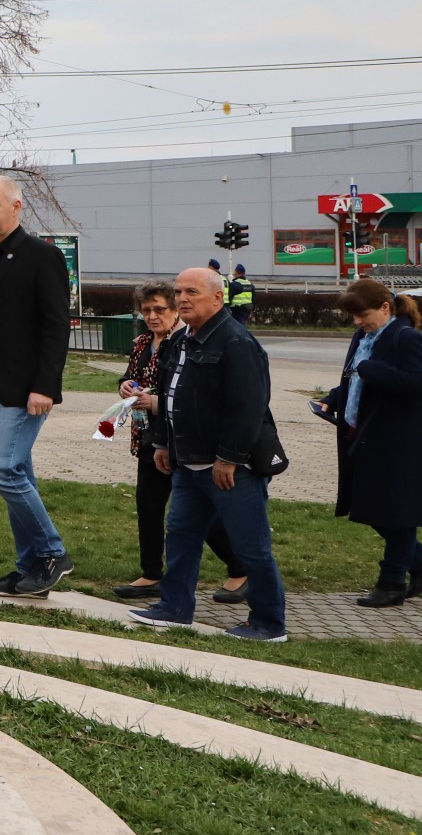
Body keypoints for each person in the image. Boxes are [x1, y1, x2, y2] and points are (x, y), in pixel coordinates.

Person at [129, 268, 289, 641]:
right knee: (181, 535)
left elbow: (248, 408)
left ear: (218, 298)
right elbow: (170, 396)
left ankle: (269, 623)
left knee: (250, 545)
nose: (182, 299)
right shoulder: (181, 340)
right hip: (187, 463)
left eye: (192, 292)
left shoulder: (236, 342)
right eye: (179, 292)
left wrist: (229, 457)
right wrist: (163, 443)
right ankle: (174, 608)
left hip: (231, 468)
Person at [0, 176, 73, 598]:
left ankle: (53, 554)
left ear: (16, 206)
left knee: (1, 468)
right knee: (18, 472)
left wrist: (45, 387)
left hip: (25, 390)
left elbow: (56, 327)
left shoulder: (43, 255)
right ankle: (29, 571)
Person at [112, 280, 250, 603]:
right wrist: (126, 387)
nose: (152, 316)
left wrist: (155, 403)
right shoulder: (143, 343)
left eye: (159, 309)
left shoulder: (183, 342)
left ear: (174, 310)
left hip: (183, 440)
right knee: (148, 506)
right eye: (146, 310)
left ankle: (242, 569)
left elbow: (192, 396)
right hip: (149, 437)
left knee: (200, 513)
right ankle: (151, 573)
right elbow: (130, 375)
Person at [314, 279, 422, 607]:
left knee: (398, 513)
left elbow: (421, 384)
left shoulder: (408, 338)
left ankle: (392, 584)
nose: (357, 322)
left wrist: (373, 370)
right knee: (370, 506)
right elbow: (355, 378)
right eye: (353, 316)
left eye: (363, 315)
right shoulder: (364, 336)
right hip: (365, 435)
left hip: (400, 440)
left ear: (385, 308)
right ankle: (420, 561)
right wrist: (333, 398)